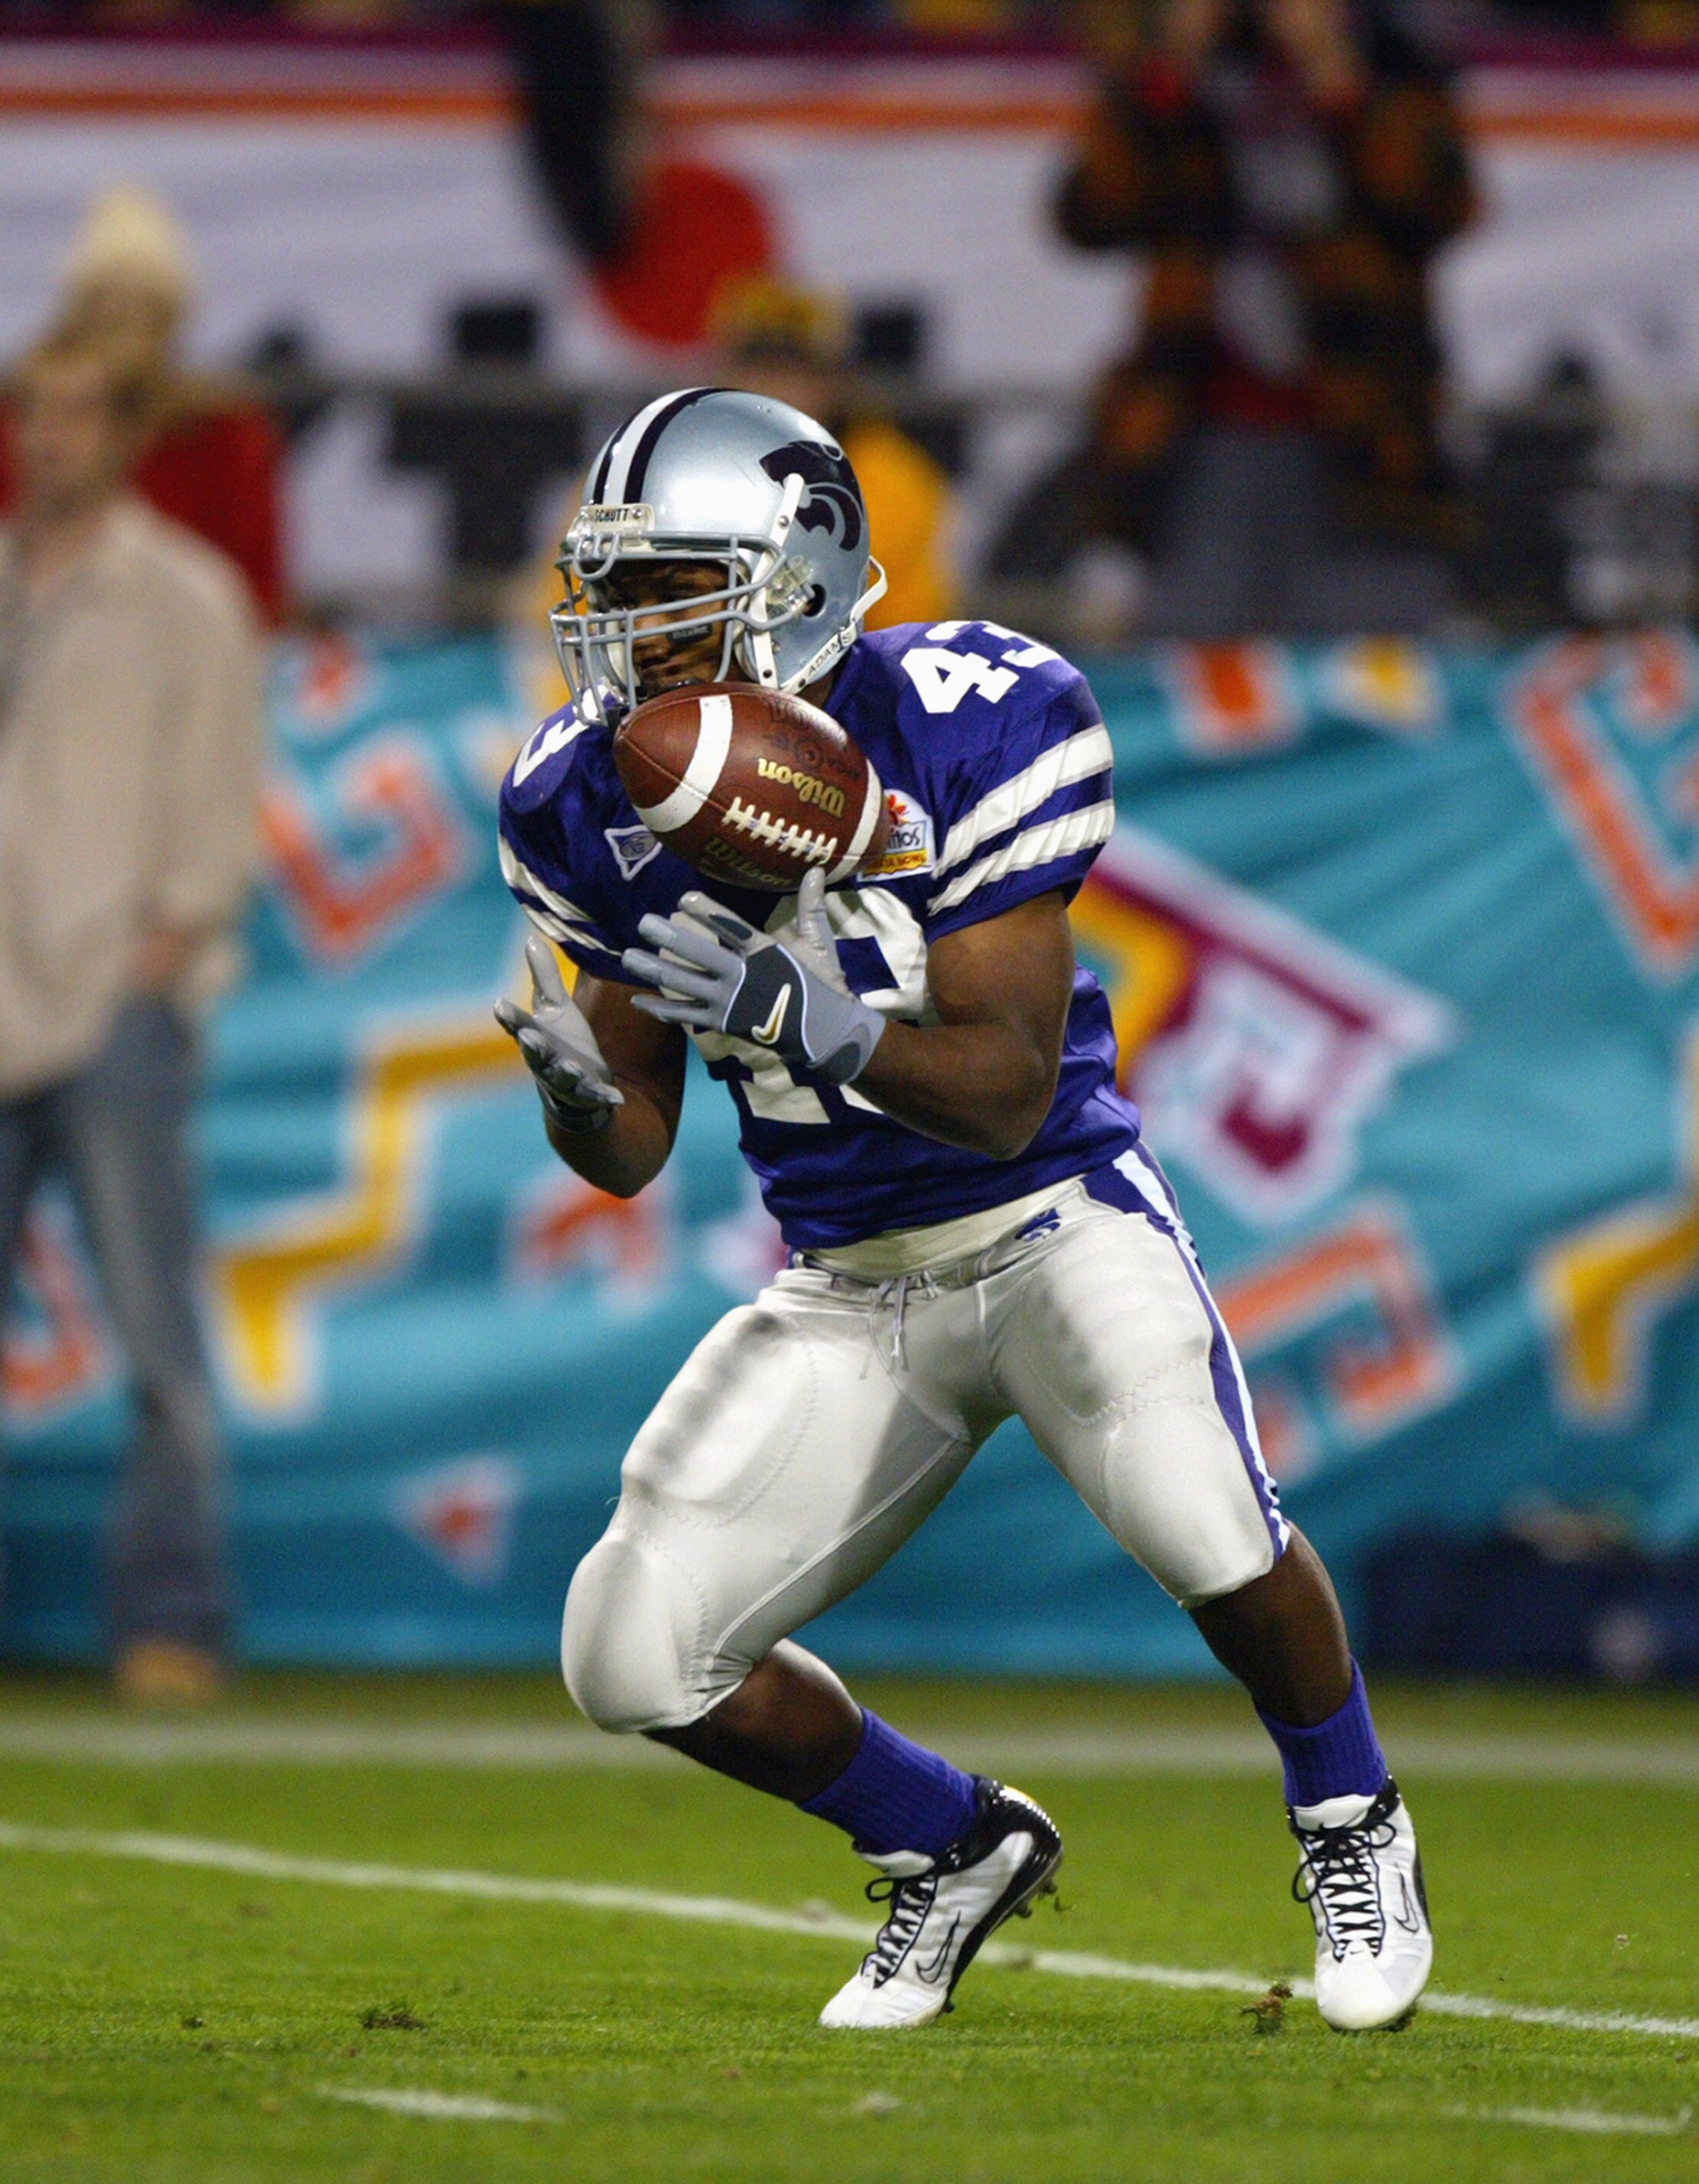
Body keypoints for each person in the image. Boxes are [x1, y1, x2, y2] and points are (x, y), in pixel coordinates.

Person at [494, 387, 1431, 2032]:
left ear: (793, 571)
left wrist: (814, 1016)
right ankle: (954, 1835)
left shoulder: (974, 712)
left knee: (1206, 1521)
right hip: (852, 1280)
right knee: (628, 1646)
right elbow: (637, 1135)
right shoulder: (591, 789)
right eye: (619, 586)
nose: (632, 627)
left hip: (1054, 1216)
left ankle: (1352, 1816)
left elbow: (1001, 1088)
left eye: (670, 584)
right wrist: (585, 1096)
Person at [0, 329, 265, 1704]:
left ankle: (172, 1614)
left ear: (125, 434)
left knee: (155, 1334)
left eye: (76, 415)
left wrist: (164, 943)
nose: (48, 439)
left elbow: (221, 799)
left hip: (113, 999)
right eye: (34, 414)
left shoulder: (185, 596)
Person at [995, 0, 1473, 638]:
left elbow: (1435, 204)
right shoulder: (1173, 70)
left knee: (1366, 670)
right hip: (1197, 431)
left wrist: (1335, 76)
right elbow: (1089, 214)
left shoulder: (1394, 58)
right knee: (1189, 663)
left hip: (1366, 437)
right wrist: (1171, 67)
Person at [0, 186, 288, 627]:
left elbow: (257, 589)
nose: (122, 326)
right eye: (105, 303)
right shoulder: (22, 419)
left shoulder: (226, 432)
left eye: (143, 306)